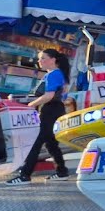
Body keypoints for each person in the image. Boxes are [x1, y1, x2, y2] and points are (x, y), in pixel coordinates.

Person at [7, 49, 71, 184]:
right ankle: (62, 171)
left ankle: (25, 175)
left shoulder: (54, 74)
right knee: (51, 144)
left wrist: (31, 104)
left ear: (53, 60)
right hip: (55, 110)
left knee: (36, 142)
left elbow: (49, 96)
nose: (39, 61)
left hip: (50, 111)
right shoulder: (58, 74)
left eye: (43, 58)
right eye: (39, 59)